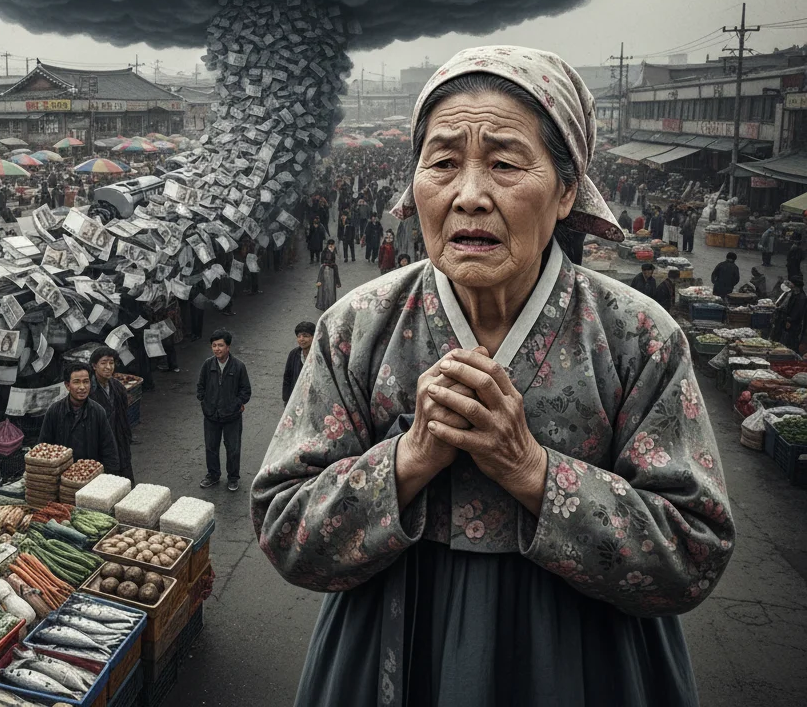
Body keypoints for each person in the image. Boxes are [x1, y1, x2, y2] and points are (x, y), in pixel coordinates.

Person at [253, 46, 732, 707]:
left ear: (567, 189)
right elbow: (284, 529)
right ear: (415, 179)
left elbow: (694, 554)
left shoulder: (637, 338)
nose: (469, 194)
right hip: (390, 650)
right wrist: (410, 460)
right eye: (443, 162)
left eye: (505, 163)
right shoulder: (355, 328)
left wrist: (533, 471)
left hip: (586, 665)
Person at [196, 329, 251, 492]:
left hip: (232, 416)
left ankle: (233, 478)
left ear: (228, 347)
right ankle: (213, 475)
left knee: (233, 448)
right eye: (214, 345)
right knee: (211, 447)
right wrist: (205, 402)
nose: (217, 349)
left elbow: (246, 390)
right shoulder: (207, 365)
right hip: (211, 415)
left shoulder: (239, 366)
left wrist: (237, 403)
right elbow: (200, 386)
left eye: (220, 345)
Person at [38, 363, 121, 471]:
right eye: (76, 382)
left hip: (90, 475)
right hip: (62, 476)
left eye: (86, 382)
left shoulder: (98, 412)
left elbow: (109, 450)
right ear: (67, 385)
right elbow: (44, 447)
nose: (82, 387)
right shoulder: (54, 411)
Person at [87, 347, 134, 481]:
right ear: (94, 366)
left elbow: (124, 415)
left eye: (111, 363)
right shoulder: (89, 391)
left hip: (120, 439)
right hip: (101, 445)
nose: (108, 367)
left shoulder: (117, 387)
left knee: (125, 479)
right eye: (103, 363)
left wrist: (126, 436)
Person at [281, 321, 314, 403]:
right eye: (299, 336)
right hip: (297, 399)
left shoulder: (321, 355)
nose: (301, 339)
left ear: (314, 337)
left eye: (305, 336)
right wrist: (286, 399)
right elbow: (287, 377)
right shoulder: (294, 354)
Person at [773, 276, 807, 351]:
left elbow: (798, 311)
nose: (790, 284)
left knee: (791, 338)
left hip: (794, 323)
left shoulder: (801, 297)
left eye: (791, 282)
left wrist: (790, 320)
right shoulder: (795, 293)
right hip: (788, 319)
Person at [316, 239, 341, 311]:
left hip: (326, 270)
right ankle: (328, 305)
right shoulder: (328, 251)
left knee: (326, 288)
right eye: (332, 245)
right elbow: (328, 261)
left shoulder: (326, 251)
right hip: (328, 271)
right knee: (329, 288)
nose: (333, 246)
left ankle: (326, 304)